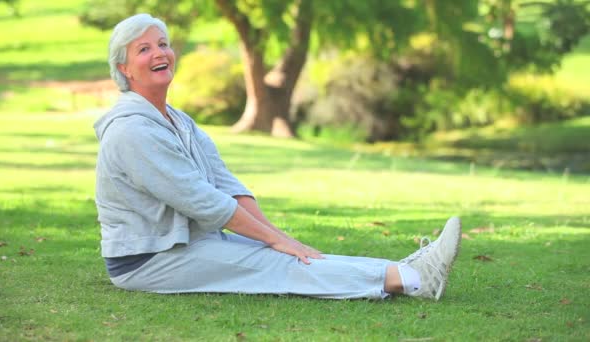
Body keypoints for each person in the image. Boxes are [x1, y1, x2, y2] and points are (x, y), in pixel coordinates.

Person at [94, 13, 462, 301]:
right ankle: (412, 280)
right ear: (124, 69)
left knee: (290, 253)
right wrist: (273, 242)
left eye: (163, 44)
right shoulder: (132, 130)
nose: (159, 53)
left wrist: (278, 236)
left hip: (189, 243)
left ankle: (406, 271)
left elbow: (226, 185)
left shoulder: (178, 120)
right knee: (275, 262)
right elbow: (200, 200)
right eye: (143, 50)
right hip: (148, 259)